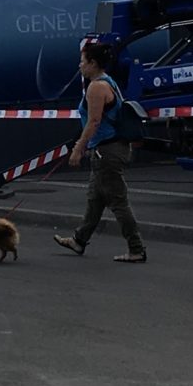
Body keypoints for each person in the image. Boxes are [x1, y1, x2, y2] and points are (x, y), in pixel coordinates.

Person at [51, 39, 148, 263]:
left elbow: (93, 121)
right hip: (109, 148)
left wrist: (78, 148)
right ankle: (79, 240)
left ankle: (136, 248)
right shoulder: (108, 81)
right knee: (95, 199)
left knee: (118, 201)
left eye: (83, 61)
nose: (80, 66)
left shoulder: (96, 87)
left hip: (107, 150)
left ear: (93, 63)